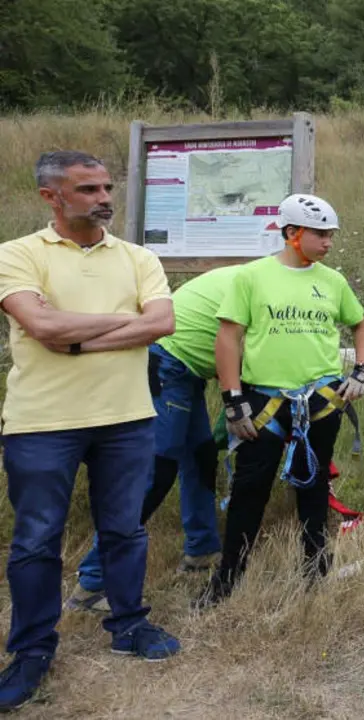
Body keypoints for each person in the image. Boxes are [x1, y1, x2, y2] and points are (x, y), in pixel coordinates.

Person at [0, 151, 181, 711]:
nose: (104, 198)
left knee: (125, 531)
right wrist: (128, 321)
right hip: (42, 421)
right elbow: (40, 324)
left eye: (106, 187)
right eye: (87, 189)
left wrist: (74, 339)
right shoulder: (17, 254)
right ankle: (31, 651)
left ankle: (128, 625)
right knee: (37, 540)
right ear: (51, 196)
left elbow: (163, 322)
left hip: (126, 418)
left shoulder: (138, 257)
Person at [194, 193, 364, 609]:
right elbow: (228, 337)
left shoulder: (332, 281)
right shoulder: (252, 277)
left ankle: (315, 570)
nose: (328, 242)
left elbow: (361, 324)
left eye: (331, 235)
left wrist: (361, 371)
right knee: (249, 489)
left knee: (314, 485)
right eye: (321, 234)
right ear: (292, 233)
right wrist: (232, 399)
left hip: (321, 401)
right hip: (264, 403)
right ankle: (227, 580)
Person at [68, 265, 237, 614]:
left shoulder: (260, 277)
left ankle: (202, 550)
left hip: (186, 371)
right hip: (166, 365)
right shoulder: (265, 286)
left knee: (201, 458)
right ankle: (92, 583)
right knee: (155, 474)